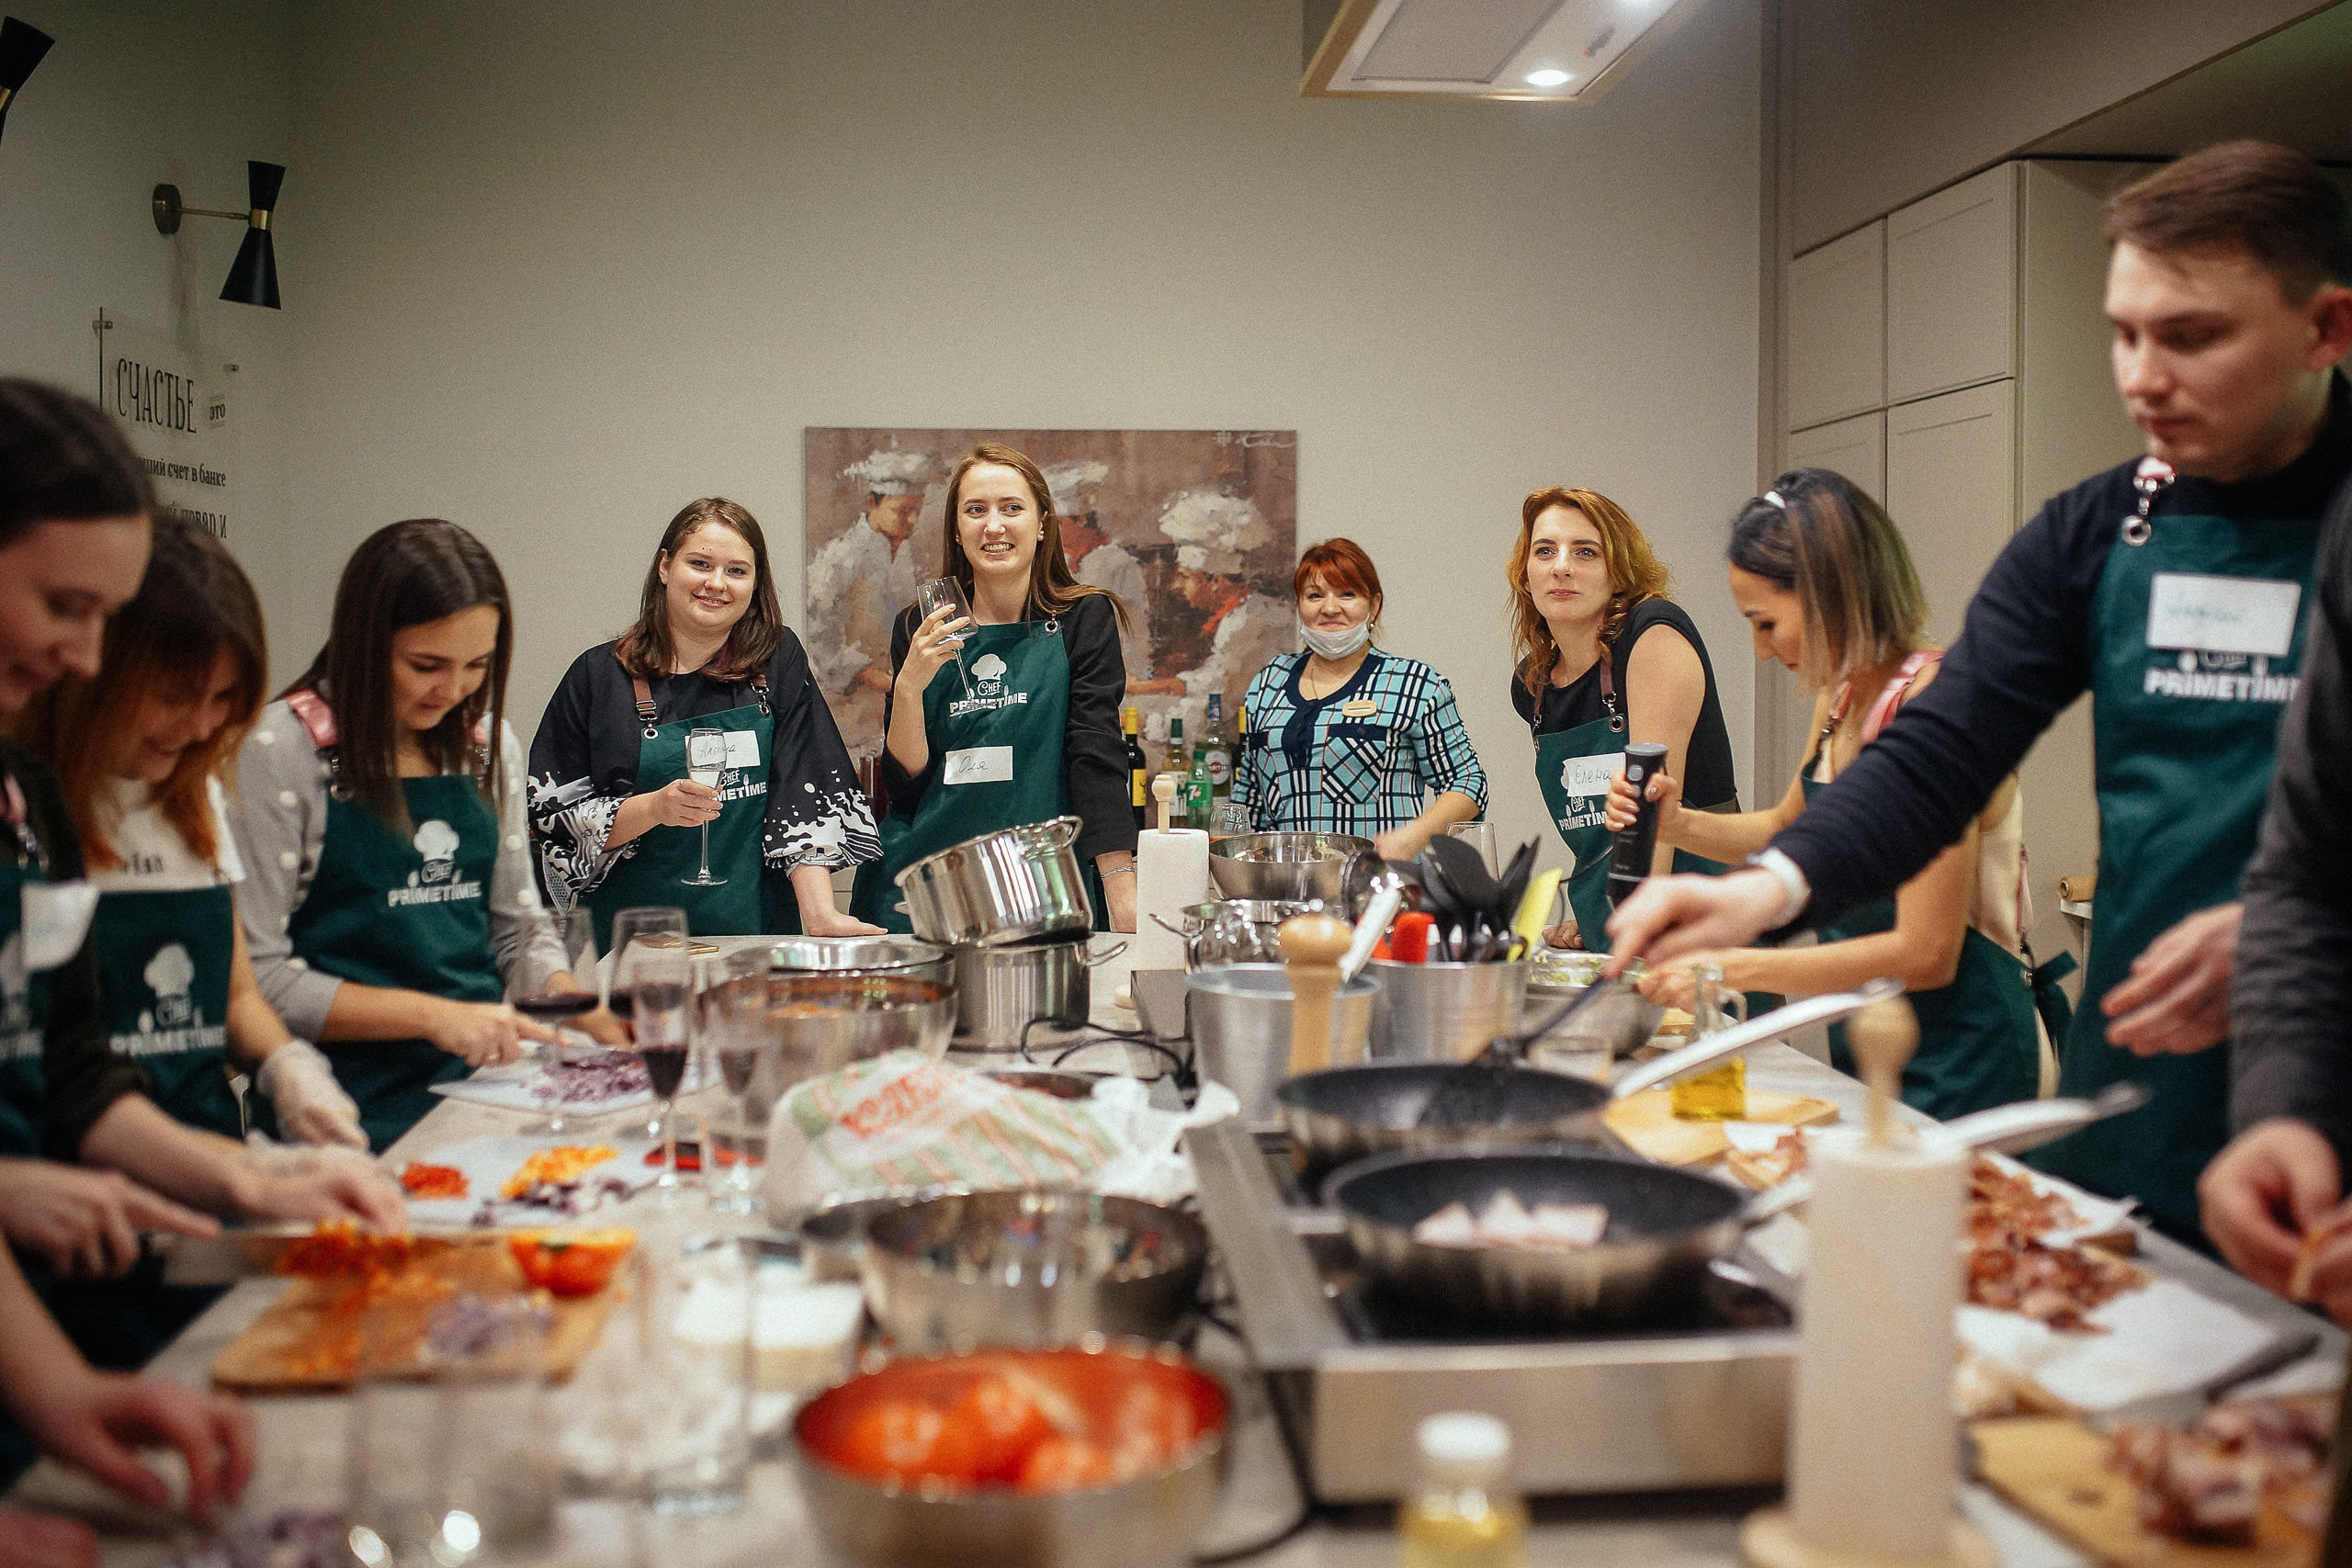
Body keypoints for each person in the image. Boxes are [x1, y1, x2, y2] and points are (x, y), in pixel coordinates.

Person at [1608, 141, 2352, 1246]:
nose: (2141, 375)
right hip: (2141, 1064)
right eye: (2123, 333)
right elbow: (1937, 749)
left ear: (2326, 330)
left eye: (2190, 335)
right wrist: (1762, 890)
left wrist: (2305, 924)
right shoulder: (2096, 531)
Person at [0, 378, 373, 1544]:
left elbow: (68, 1075)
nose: (81, 655)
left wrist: (248, 1176)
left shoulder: (27, 807)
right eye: (65, 605)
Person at [1606, 471, 2041, 1120]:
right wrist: (1676, 823)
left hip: (1968, 1049)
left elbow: (1925, 951)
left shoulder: (1941, 709)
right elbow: (1790, 827)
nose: (1760, 650)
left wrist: (1731, 966)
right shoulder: (1840, 702)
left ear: (1833, 596)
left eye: (1766, 622)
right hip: (1869, 1029)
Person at [12, 518, 363, 1148]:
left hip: (204, 1151)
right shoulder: (33, 804)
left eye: (223, 697)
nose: (201, 725)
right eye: (174, 696)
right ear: (100, 673)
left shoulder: (192, 797)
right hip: (72, 1178)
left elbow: (235, 995)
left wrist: (289, 1068)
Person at [234, 520, 575, 1150]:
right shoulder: (280, 749)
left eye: (477, 665)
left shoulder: (487, 745)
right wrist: (435, 1016)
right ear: (365, 643)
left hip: (484, 1096)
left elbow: (516, 928)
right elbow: (260, 981)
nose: (452, 691)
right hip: (338, 1116)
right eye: (426, 664)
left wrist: (564, 997)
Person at [529, 497, 880, 947]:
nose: (717, 584)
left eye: (737, 570)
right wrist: (653, 810)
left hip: (755, 935)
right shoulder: (598, 677)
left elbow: (803, 791)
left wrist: (820, 915)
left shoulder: (778, 660)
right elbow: (553, 818)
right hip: (630, 945)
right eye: (700, 564)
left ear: (756, 583)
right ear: (664, 566)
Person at [849, 443, 1140, 932]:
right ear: (958, 530)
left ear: (1043, 523)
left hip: (1042, 883)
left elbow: (1096, 754)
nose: (994, 525)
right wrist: (908, 688)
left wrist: (1121, 887)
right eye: (976, 511)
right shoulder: (918, 624)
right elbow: (907, 784)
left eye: (1012, 508)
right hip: (925, 882)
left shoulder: (1082, 619)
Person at [1507, 487, 1740, 949]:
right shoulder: (1532, 688)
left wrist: (1636, 940)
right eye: (1545, 550)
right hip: (1618, 925)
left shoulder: (1651, 632)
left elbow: (1653, 815)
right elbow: (1595, 833)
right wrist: (1594, 914)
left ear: (1620, 573)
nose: (1562, 566)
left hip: (1699, 924)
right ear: (1525, 576)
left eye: (1586, 552)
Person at [1228, 538, 1486, 860]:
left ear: (1373, 605)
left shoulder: (1415, 684)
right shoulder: (1268, 682)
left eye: (1347, 594)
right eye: (1314, 595)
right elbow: (1248, 797)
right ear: (1300, 606)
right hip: (1286, 890)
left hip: (1383, 887)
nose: (1330, 608)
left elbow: (1468, 782)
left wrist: (1411, 838)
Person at [806, 450, 932, 760]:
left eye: (916, 510)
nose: (911, 521)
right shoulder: (839, 559)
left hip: (901, 703)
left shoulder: (907, 557)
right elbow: (821, 640)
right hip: (852, 711)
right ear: (872, 503)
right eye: (902, 511)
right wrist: (885, 681)